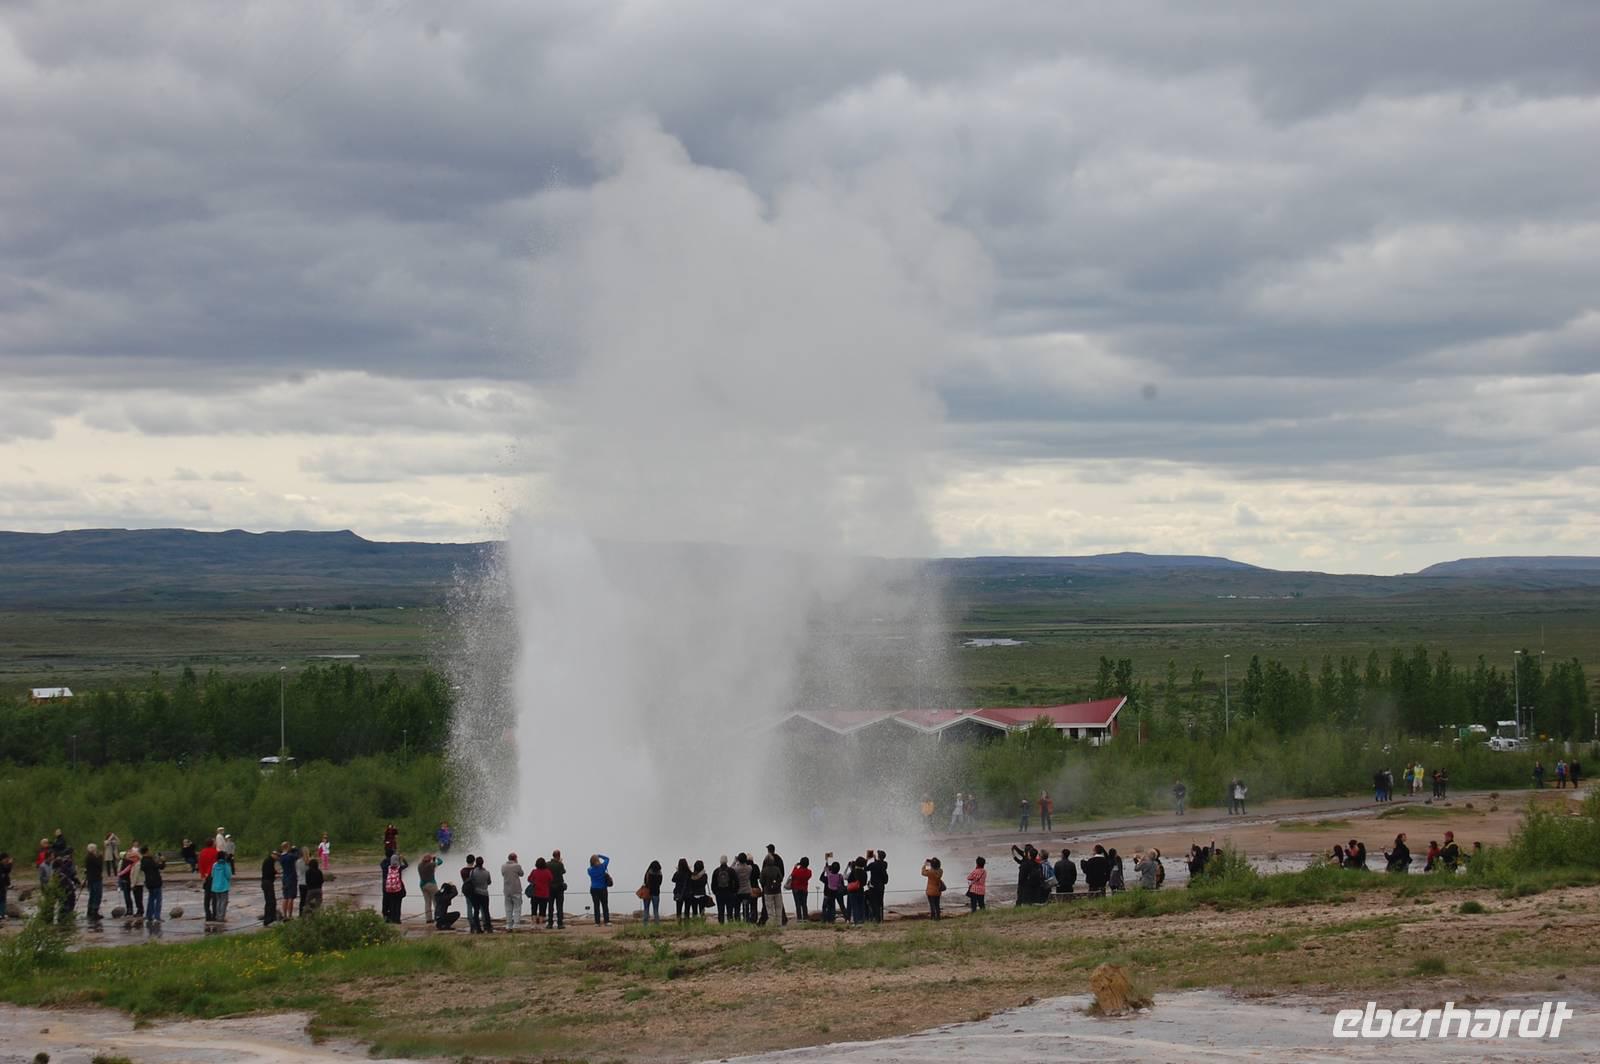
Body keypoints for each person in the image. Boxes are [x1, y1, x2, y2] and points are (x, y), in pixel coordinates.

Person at [762, 844, 788, 926]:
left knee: (768, 906)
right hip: (777, 887)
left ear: (768, 850)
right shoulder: (779, 858)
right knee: (779, 905)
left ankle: (767, 920)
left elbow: (762, 876)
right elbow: (782, 873)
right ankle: (781, 921)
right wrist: (778, 883)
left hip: (767, 889)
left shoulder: (766, 860)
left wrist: (764, 885)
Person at [140, 847, 165, 928]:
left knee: (151, 899)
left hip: (149, 883)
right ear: (147, 852)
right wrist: (163, 861)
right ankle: (156, 917)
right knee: (158, 900)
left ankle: (149, 916)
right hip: (156, 882)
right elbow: (160, 867)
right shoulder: (150, 860)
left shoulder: (143, 861)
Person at [382, 852, 409, 924]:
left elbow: (382, 864)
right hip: (398, 890)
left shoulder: (387, 868)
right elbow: (406, 865)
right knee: (398, 905)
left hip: (389, 890)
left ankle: (392, 918)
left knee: (391, 905)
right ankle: (397, 919)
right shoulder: (399, 868)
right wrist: (402, 858)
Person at [468, 856, 492, 932]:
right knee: (486, 911)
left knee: (476, 911)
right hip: (485, 893)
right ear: (483, 863)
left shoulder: (472, 872)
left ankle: (478, 928)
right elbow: (489, 882)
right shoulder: (487, 872)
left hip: (476, 893)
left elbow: (471, 881)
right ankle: (488, 927)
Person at [501, 853, 525, 930]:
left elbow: (503, 874)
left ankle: (508, 924)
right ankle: (516, 924)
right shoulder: (517, 866)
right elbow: (521, 874)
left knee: (508, 908)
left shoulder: (503, 866)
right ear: (515, 858)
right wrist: (517, 863)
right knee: (517, 907)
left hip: (507, 890)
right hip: (516, 889)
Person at [198, 837, 219, 921]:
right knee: (214, 897)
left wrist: (202, 876)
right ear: (212, 843)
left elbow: (200, 865)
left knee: (207, 897)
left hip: (206, 876)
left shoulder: (202, 852)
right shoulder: (215, 852)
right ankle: (215, 914)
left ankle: (208, 914)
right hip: (214, 876)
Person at [587, 854, 611, 926]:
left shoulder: (589, 870)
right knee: (605, 905)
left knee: (596, 906)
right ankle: (606, 921)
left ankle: (597, 922)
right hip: (603, 888)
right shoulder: (603, 867)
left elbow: (591, 868)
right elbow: (607, 858)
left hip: (594, 889)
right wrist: (599, 855)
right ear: (598, 860)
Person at [210, 846, 233, 921]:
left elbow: (212, 875)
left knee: (218, 901)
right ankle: (221, 917)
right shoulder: (226, 865)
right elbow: (228, 875)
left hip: (216, 886)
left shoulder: (215, 865)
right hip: (224, 886)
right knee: (224, 902)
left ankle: (217, 915)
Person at [711, 855, 736, 924]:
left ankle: (721, 923)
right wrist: (734, 892)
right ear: (727, 861)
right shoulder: (731, 871)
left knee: (720, 910)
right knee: (730, 910)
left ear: (720, 861)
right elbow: (736, 882)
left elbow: (713, 884)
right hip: (729, 893)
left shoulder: (716, 871)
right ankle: (730, 922)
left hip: (719, 893)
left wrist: (715, 892)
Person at [528, 857, 553, 926]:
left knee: (534, 909)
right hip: (544, 894)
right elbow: (551, 879)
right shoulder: (547, 872)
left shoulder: (534, 871)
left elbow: (529, 879)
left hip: (535, 893)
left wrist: (534, 882)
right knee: (542, 910)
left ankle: (533, 924)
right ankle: (541, 924)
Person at [865, 849, 888, 923]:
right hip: (881, 886)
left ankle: (876, 918)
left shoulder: (873, 865)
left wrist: (867, 859)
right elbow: (879, 865)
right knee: (880, 902)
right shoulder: (885, 864)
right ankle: (881, 919)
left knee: (874, 903)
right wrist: (875, 859)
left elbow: (865, 868)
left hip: (873, 887)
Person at [83, 843, 104, 922]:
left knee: (92, 895)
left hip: (90, 879)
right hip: (96, 879)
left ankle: (90, 911)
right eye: (96, 849)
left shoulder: (87, 857)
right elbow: (99, 865)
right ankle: (94, 912)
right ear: (93, 849)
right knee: (97, 895)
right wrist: (101, 856)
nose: (96, 851)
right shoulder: (92, 858)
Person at [639, 860, 663, 925]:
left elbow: (645, 882)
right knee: (656, 910)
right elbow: (660, 883)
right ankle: (657, 924)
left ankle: (645, 924)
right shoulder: (660, 874)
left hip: (647, 892)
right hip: (656, 893)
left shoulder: (648, 873)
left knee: (646, 910)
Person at [548, 850, 567, 929]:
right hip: (559, 887)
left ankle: (550, 923)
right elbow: (563, 872)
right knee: (559, 906)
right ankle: (560, 923)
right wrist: (561, 862)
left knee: (550, 906)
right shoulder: (560, 864)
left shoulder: (547, 864)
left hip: (550, 887)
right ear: (559, 856)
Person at [789, 856, 812, 922]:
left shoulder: (796, 871)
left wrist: (795, 867)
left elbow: (792, 875)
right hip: (804, 889)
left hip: (796, 889)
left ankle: (799, 918)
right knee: (804, 904)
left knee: (798, 904)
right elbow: (808, 876)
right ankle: (805, 917)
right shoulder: (809, 872)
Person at [846, 856, 868, 924]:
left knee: (854, 907)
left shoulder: (854, 871)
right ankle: (862, 920)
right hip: (861, 890)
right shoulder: (864, 872)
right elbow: (864, 883)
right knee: (861, 906)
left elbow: (849, 880)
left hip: (853, 891)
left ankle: (856, 921)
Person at [279, 842, 299, 920]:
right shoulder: (290, 856)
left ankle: (285, 915)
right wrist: (295, 849)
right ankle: (290, 915)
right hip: (291, 877)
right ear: (287, 847)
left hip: (284, 877)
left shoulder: (281, 857)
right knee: (291, 897)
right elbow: (297, 856)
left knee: (285, 897)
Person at [260, 847, 278, 926]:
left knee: (269, 901)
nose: (277, 857)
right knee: (271, 902)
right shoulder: (269, 861)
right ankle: (269, 919)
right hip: (268, 883)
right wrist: (274, 873)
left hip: (265, 882)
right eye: (277, 855)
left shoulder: (268, 861)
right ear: (273, 855)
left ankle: (269, 918)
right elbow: (269, 872)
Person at [417, 854, 438, 921]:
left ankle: (428, 919)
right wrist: (435, 858)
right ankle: (437, 917)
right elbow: (440, 862)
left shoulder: (419, 865)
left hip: (422, 885)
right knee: (436, 901)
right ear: (429, 859)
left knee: (427, 902)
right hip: (431, 884)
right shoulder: (430, 865)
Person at [0, 852, 11, 924]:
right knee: (1, 899)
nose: (7, 860)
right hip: (1, 886)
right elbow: (6, 870)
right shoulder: (1, 866)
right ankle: (1, 914)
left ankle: (2, 914)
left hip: (3, 885)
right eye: (6, 859)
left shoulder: (3, 865)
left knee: (3, 899)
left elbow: (7, 872)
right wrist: (10, 864)